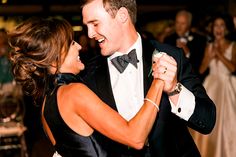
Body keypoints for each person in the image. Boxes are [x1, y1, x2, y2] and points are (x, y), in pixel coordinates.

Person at [8, 17, 165, 157]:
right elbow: (135, 138)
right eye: (70, 43)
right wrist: (158, 81)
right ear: (54, 60)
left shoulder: (45, 105)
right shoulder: (74, 93)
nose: (79, 46)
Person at [81, 0, 216, 157]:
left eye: (95, 24)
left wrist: (174, 89)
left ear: (122, 16)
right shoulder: (88, 74)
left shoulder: (172, 56)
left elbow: (207, 121)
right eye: (87, 26)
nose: (89, 33)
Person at [191, 13, 236, 157]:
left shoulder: (233, 45)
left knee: (229, 121)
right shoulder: (209, 46)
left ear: (226, 29)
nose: (218, 29)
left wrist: (220, 55)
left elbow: (233, 68)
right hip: (211, 85)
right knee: (209, 119)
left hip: (227, 86)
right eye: (216, 25)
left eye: (222, 25)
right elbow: (202, 69)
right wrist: (209, 56)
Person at [164, 10, 207, 82]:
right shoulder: (168, 39)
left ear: (189, 24)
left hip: (192, 81)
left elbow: (200, 66)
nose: (179, 26)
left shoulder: (199, 40)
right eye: (177, 22)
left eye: (183, 23)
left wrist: (188, 53)